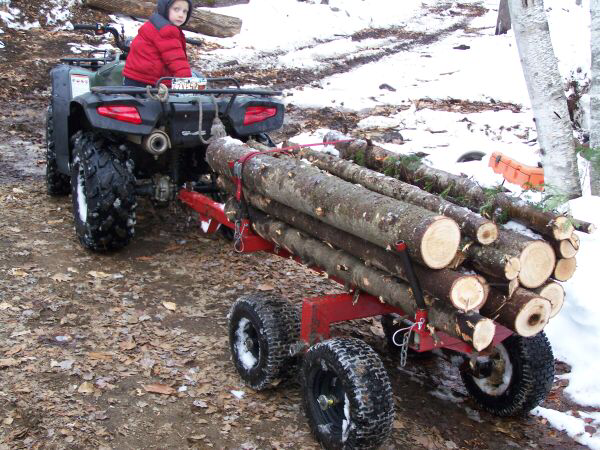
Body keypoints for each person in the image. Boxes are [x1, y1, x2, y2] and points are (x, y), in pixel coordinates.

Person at [123, 0, 193, 87]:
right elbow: (176, 60)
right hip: (149, 81)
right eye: (176, 9)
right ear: (165, 8)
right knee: (199, 91)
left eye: (185, 11)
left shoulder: (154, 23)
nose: (181, 15)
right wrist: (187, 82)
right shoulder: (166, 30)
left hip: (135, 76)